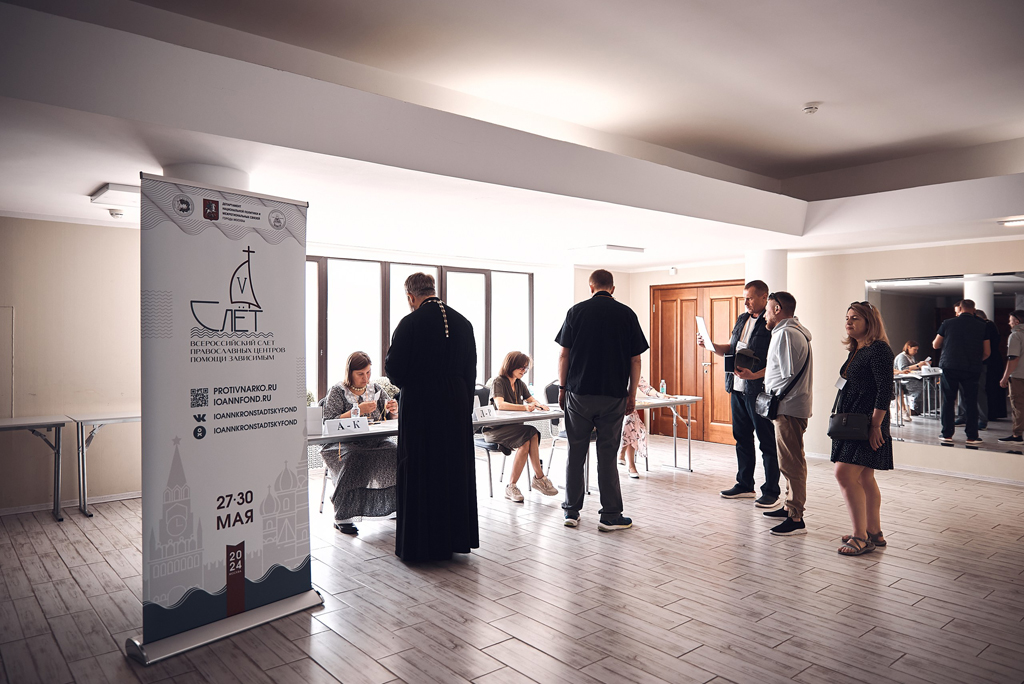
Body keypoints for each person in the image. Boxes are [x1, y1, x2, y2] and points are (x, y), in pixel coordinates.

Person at [385, 272, 478, 562]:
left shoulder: (410, 322)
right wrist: (462, 401)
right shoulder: (463, 322)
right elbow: (471, 370)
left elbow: (394, 369)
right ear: (433, 290)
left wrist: (414, 383)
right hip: (456, 401)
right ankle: (453, 539)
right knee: (452, 466)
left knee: (421, 466)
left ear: (410, 297)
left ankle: (422, 546)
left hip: (422, 402)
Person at [555, 269, 648, 531]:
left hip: (579, 393)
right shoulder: (627, 314)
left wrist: (562, 388)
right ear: (613, 288)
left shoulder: (576, 312)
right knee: (607, 455)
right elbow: (635, 359)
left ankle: (571, 511)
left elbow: (564, 355)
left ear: (591, 287)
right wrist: (631, 394)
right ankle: (610, 515)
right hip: (613, 395)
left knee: (576, 452)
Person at [697, 279, 780, 508]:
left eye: (750, 298)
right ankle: (745, 484)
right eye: (744, 298)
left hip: (758, 391)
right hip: (736, 388)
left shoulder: (771, 323)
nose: (746, 303)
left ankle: (771, 491)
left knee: (766, 442)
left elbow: (776, 361)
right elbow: (731, 349)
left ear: (764, 297)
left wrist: (756, 376)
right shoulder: (742, 319)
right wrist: (710, 345)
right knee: (741, 438)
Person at [832, 302, 894, 556]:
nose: (849, 322)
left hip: (867, 423)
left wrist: (876, 425)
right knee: (864, 477)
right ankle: (873, 532)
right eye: (847, 317)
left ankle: (860, 537)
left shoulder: (879, 350)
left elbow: (885, 391)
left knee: (844, 474)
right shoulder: (857, 348)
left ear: (870, 322)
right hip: (853, 422)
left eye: (855, 318)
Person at [320, 352, 399, 535]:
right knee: (356, 457)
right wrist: (357, 410)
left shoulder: (376, 389)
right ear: (350, 373)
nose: (366, 378)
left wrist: (393, 410)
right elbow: (328, 422)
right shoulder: (337, 391)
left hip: (375, 440)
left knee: (397, 453)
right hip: (343, 443)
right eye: (360, 374)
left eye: (368, 372)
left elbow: (389, 417)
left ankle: (393, 506)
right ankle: (344, 515)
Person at [760, 292, 813, 536]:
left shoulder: (784, 333)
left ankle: (795, 517)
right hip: (792, 406)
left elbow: (786, 372)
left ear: (778, 309)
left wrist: (770, 394)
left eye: (768, 309)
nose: (765, 315)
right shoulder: (796, 331)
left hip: (788, 408)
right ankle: (789, 506)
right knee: (792, 459)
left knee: (790, 462)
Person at [485, 351, 559, 501]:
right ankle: (539, 478)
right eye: (521, 367)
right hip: (496, 430)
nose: (524, 371)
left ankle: (512, 486)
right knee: (531, 432)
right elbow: (500, 405)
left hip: (514, 429)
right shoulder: (498, 381)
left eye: (525, 368)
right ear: (511, 365)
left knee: (528, 438)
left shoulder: (519, 383)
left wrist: (539, 405)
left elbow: (531, 399)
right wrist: (524, 407)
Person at [933, 299, 990, 446]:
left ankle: (947, 434)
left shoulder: (948, 323)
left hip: (950, 366)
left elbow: (935, 344)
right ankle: (972, 436)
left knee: (948, 400)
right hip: (971, 367)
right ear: (974, 310)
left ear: (960, 309)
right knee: (971, 401)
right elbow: (987, 352)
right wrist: (975, 360)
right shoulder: (982, 325)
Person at [618, 377, 667, 479]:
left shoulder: (630, 371)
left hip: (626, 408)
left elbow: (644, 386)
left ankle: (624, 454)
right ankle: (630, 464)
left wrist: (659, 394)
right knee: (632, 422)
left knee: (631, 420)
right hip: (610, 405)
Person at [998, 310, 1024, 444]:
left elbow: (1013, 358)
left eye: (1010, 320)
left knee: (1018, 405)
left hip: (1018, 375)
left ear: (1017, 322)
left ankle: (1017, 435)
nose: (1009, 323)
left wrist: (1005, 377)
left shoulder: (1015, 335)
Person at [893, 341, 929, 420]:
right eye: (914, 349)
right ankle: (913, 408)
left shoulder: (911, 357)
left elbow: (912, 367)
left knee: (926, 383)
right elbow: (903, 368)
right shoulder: (902, 357)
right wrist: (918, 365)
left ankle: (900, 412)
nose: (916, 352)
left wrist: (921, 365)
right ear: (908, 347)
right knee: (922, 386)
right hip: (904, 379)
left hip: (909, 377)